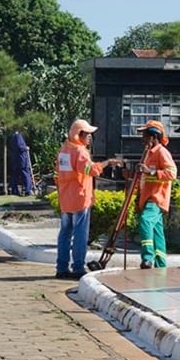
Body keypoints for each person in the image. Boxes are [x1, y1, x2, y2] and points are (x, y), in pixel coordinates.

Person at [54, 119, 121, 279]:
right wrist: (107, 163)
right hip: (80, 198)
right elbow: (91, 170)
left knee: (64, 233)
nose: (90, 137)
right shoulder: (80, 151)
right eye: (87, 134)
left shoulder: (64, 150)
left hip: (65, 199)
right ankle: (78, 268)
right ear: (79, 135)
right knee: (80, 234)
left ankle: (61, 268)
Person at [135, 120, 177, 269]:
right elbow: (145, 178)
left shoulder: (161, 152)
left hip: (156, 198)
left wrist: (150, 171)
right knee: (157, 232)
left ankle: (147, 258)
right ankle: (161, 264)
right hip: (147, 198)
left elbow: (172, 173)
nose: (142, 139)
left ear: (154, 137)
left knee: (146, 221)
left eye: (145, 136)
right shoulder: (148, 154)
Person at [8, 130, 34, 196]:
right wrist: (26, 148)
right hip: (21, 160)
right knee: (25, 174)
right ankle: (28, 190)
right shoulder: (18, 136)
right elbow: (20, 146)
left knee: (15, 175)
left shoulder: (13, 136)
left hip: (15, 160)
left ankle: (14, 190)